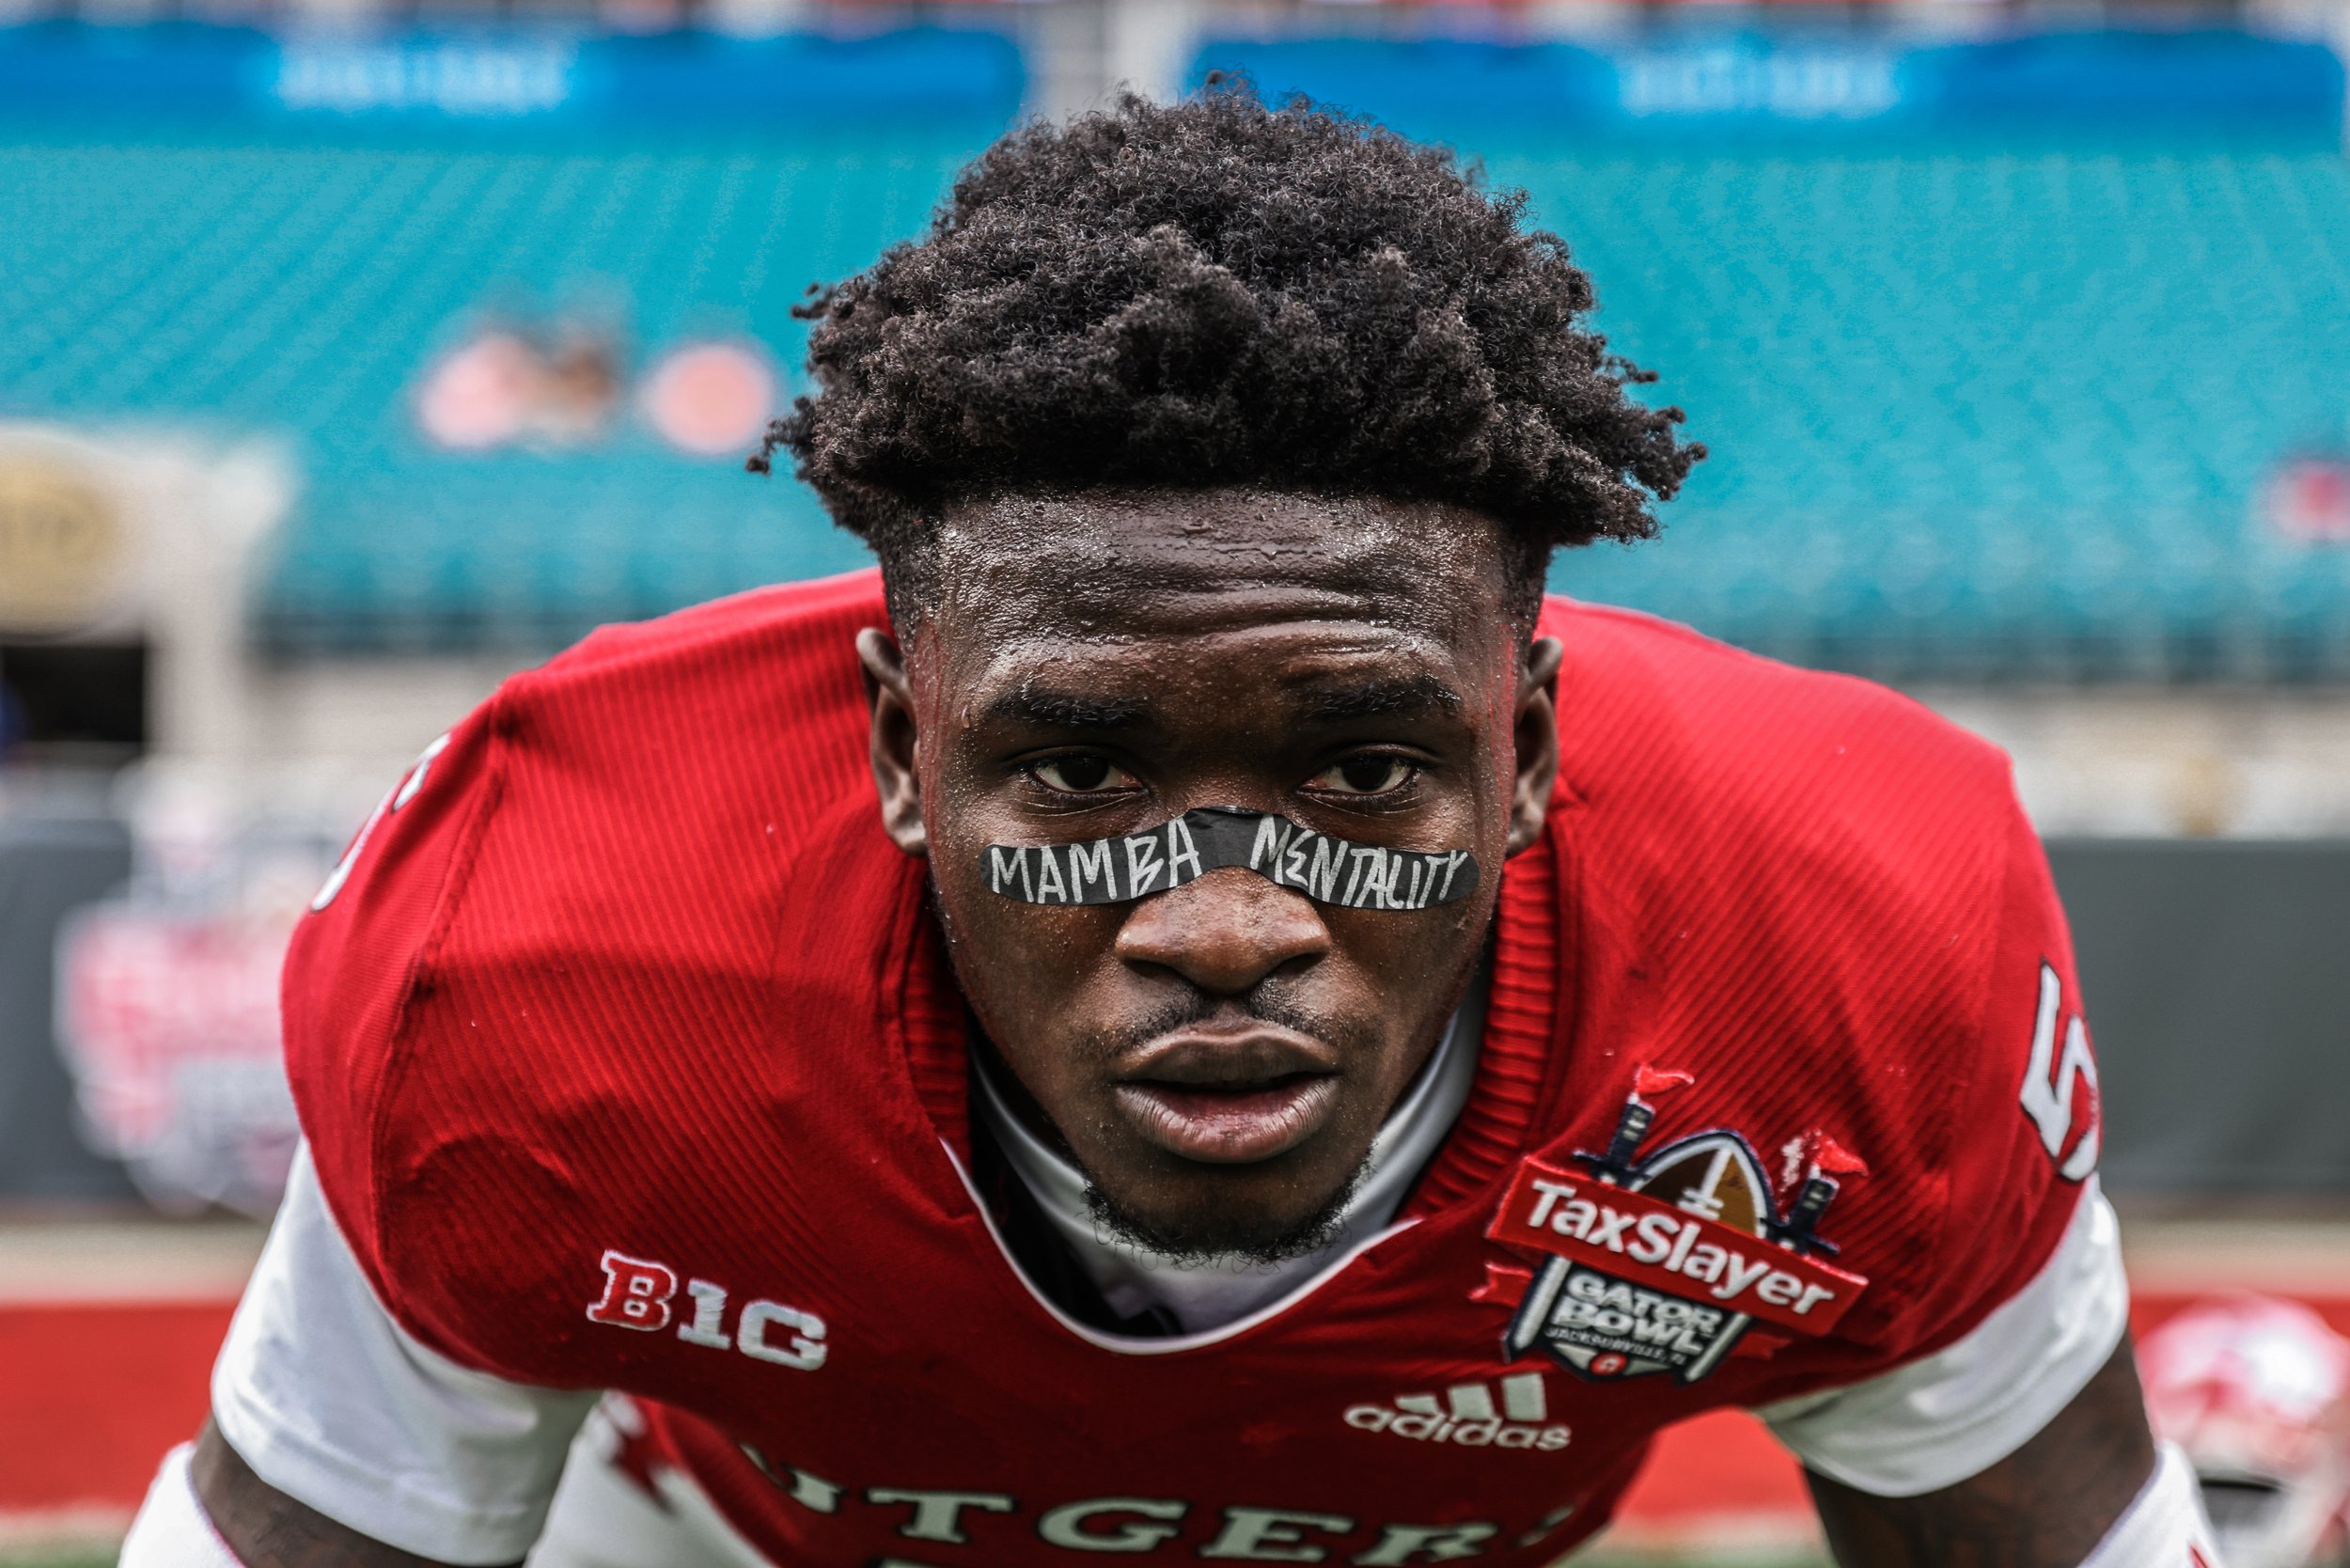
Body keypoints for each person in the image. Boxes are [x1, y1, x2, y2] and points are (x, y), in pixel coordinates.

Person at [124, 85, 2217, 1568]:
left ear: (1524, 749)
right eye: (1077, 773)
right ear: (897, 748)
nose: (1223, 926)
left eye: (1362, 771)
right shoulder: (553, 946)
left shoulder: (1843, 943)